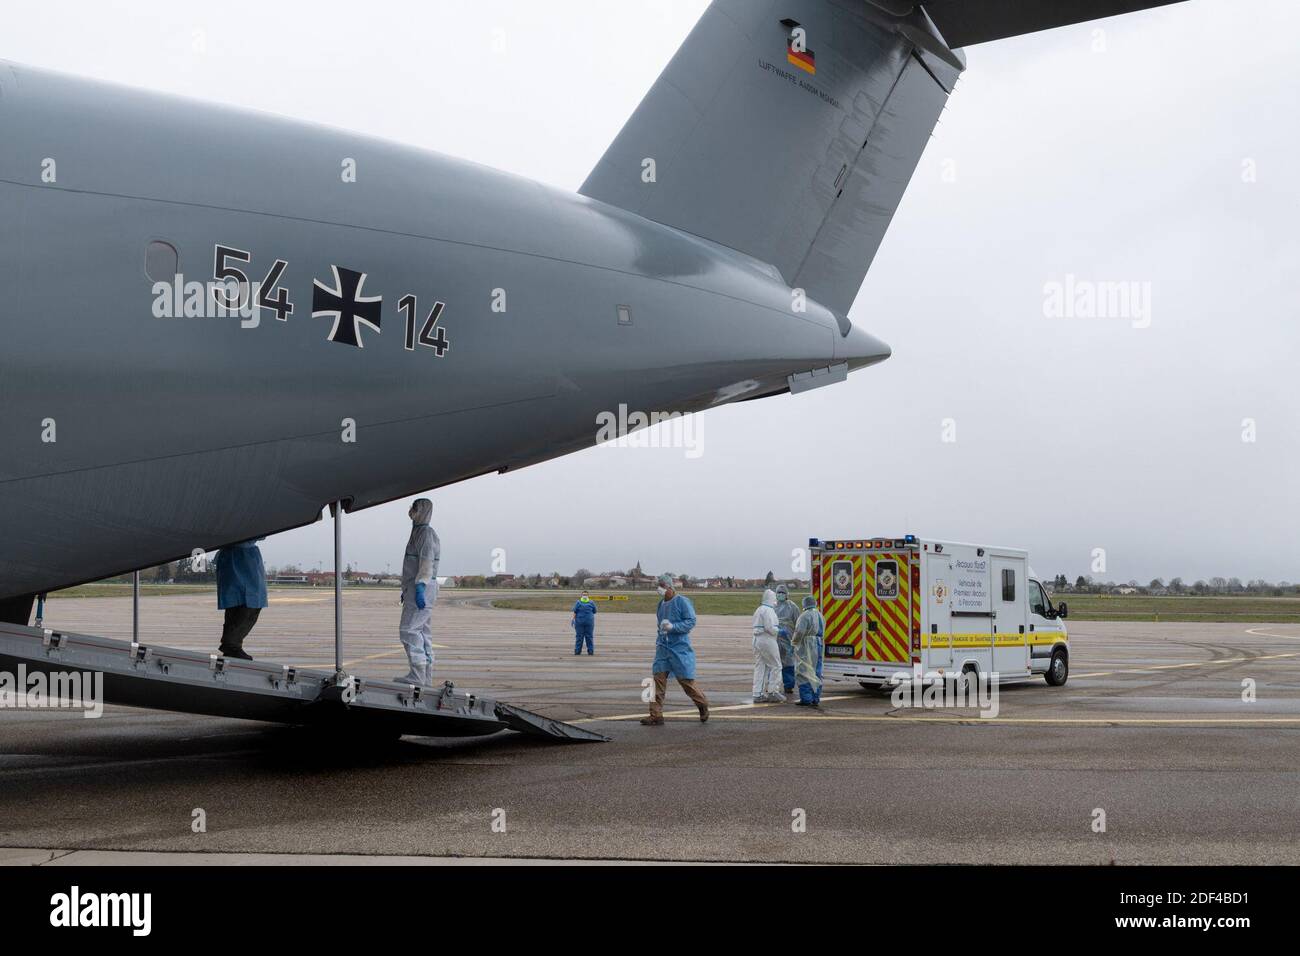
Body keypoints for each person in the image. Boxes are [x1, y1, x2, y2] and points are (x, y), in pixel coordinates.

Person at [641, 574, 709, 725]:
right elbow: (660, 623)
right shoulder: (661, 604)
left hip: (679, 647)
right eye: (658, 585)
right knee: (657, 679)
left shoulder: (682, 602)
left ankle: (702, 704)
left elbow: (691, 621)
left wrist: (673, 627)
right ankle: (655, 714)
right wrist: (662, 631)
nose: (659, 588)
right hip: (663, 647)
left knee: (686, 681)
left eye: (662, 585)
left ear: (670, 587)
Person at [397, 498, 440, 685]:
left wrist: (420, 586)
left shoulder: (425, 534)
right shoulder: (419, 532)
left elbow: (426, 563)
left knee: (409, 630)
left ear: (422, 510)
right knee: (423, 632)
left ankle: (418, 674)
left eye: (414, 508)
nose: (411, 511)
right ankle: (426, 676)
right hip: (416, 587)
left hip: (420, 588)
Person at [215, 538, 267, 660]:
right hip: (239, 557)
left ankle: (232, 644)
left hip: (245, 557)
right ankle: (231, 645)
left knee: (247, 603)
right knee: (243, 603)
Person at [792, 595, 826, 706]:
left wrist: (794, 643)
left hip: (806, 645)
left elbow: (799, 632)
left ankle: (806, 698)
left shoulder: (804, 616)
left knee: (803, 670)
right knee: (817, 671)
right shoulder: (820, 615)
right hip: (819, 644)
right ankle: (816, 697)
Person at [752, 588, 785, 703]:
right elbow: (770, 628)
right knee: (776, 665)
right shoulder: (769, 610)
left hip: (756, 640)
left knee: (760, 666)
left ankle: (757, 693)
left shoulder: (759, 609)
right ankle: (773, 692)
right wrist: (779, 631)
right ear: (772, 599)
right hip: (767, 639)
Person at [774, 584, 801, 695]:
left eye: (783, 593)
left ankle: (788, 686)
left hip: (787, 638)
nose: (780, 594)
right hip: (774, 637)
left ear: (786, 594)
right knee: (774, 662)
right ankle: (772, 686)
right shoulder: (772, 606)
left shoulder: (792, 607)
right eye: (779, 592)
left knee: (788, 662)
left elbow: (798, 623)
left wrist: (796, 639)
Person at [571, 590, 597, 655]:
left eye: (586, 594)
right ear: (581, 595)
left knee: (589, 637)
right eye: (583, 594)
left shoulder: (591, 602)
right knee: (579, 637)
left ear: (588, 595)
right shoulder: (578, 602)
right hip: (580, 622)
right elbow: (575, 611)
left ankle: (590, 651)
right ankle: (577, 651)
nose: (585, 596)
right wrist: (573, 619)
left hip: (589, 622)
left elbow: (595, 611)